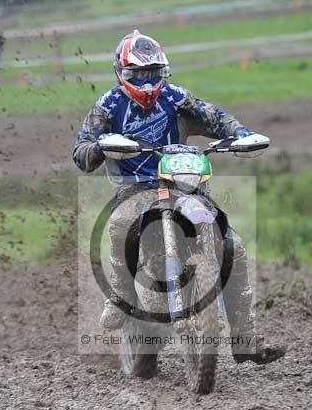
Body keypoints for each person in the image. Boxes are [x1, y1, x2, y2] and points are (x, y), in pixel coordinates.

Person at [72, 29, 285, 364]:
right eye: (137, 75)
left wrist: (239, 134)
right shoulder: (108, 106)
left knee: (233, 247)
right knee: (119, 225)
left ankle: (245, 339)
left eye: (152, 74)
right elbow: (80, 150)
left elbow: (213, 116)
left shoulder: (175, 97)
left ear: (163, 73)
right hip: (136, 190)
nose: (145, 83)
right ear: (121, 73)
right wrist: (99, 146)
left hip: (185, 185)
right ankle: (121, 295)